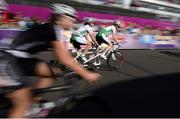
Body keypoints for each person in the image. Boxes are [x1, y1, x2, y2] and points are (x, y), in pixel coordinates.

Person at [0, 3, 101, 118]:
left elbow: (65, 54)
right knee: (22, 102)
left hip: (18, 57)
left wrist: (80, 66)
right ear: (61, 17)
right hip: (8, 57)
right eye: (72, 19)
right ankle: (25, 104)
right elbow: (63, 58)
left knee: (52, 72)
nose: (74, 22)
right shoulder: (52, 29)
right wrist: (86, 74)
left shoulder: (55, 29)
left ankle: (32, 101)